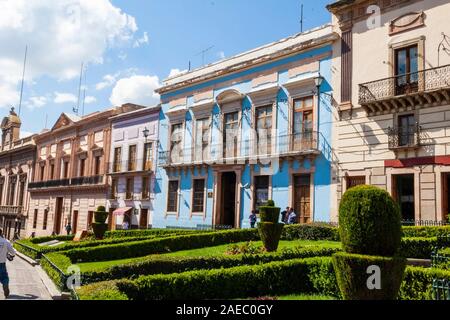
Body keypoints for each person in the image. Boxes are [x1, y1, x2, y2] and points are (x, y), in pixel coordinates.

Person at [0, 228, 16, 299]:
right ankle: (5, 288)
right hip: (1, 263)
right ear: (1, 233)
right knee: (4, 278)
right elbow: (13, 252)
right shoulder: (6, 241)